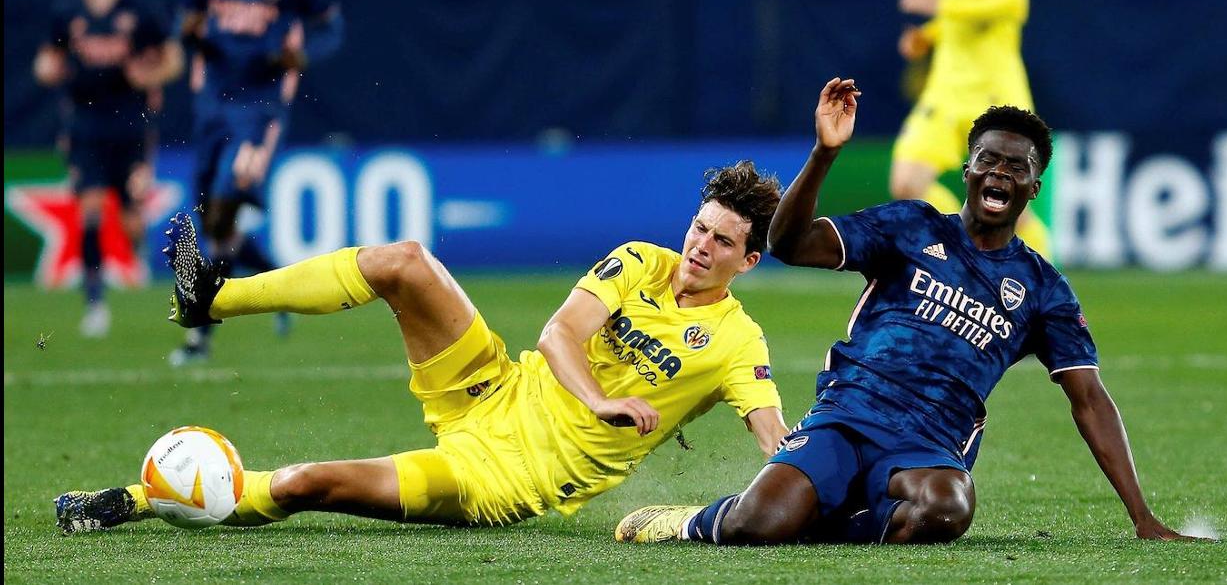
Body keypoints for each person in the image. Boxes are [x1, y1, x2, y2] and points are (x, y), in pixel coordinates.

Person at [54, 162, 790, 534]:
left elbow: (774, 442)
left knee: (304, 483)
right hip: (491, 388)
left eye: (722, 241)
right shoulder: (641, 260)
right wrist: (599, 399)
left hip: (489, 481)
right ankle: (210, 298)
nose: (699, 246)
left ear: (748, 260)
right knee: (403, 260)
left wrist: (822, 472)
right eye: (699, 227)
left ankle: (144, 498)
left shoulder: (736, 344)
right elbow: (559, 333)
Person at [616, 79, 1195, 545]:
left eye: (1016, 167)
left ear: (1033, 187)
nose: (999, 172)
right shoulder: (911, 227)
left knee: (948, 510)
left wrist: (1142, 515)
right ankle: (692, 522)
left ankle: (818, 517)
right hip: (847, 414)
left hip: (928, 446)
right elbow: (791, 244)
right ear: (966, 171)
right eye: (987, 160)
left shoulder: (1044, 289)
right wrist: (825, 153)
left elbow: (1089, 400)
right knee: (758, 526)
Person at [172, 0, 344, 364]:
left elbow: (332, 28)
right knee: (210, 221)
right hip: (211, 106)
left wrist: (303, 54)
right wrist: (184, 34)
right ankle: (275, 284)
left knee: (223, 211)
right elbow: (184, 24)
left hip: (260, 110)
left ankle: (199, 330)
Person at [893, 0, 1052, 260]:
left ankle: (1051, 288)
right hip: (947, 89)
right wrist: (929, 34)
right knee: (906, 181)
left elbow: (1013, 3)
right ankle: (966, 250)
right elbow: (963, 16)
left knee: (1012, 212)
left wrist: (941, 4)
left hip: (992, 91)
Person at [33, 0, 182, 338]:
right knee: (91, 209)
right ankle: (95, 302)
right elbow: (50, 57)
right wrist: (46, 68)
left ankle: (142, 266)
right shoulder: (68, 9)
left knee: (133, 217)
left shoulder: (141, 8)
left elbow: (173, 58)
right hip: (85, 124)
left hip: (130, 123)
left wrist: (149, 74)